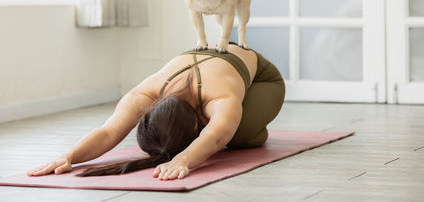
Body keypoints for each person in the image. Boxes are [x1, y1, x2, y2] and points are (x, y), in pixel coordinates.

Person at [27, 43, 285, 181]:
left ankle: (254, 129)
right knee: (227, 123)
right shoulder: (145, 94)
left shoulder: (218, 96)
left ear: (198, 127)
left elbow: (217, 135)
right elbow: (108, 132)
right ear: (149, 112)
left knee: (237, 135)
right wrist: (69, 156)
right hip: (218, 66)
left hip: (263, 79)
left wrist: (183, 159)